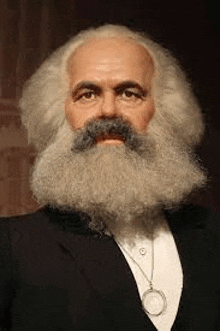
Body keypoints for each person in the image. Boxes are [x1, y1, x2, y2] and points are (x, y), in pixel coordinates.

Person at [0, 24, 220, 331]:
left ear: (164, 110)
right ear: (59, 112)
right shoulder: (10, 247)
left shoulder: (213, 234)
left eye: (129, 93)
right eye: (87, 94)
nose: (107, 110)